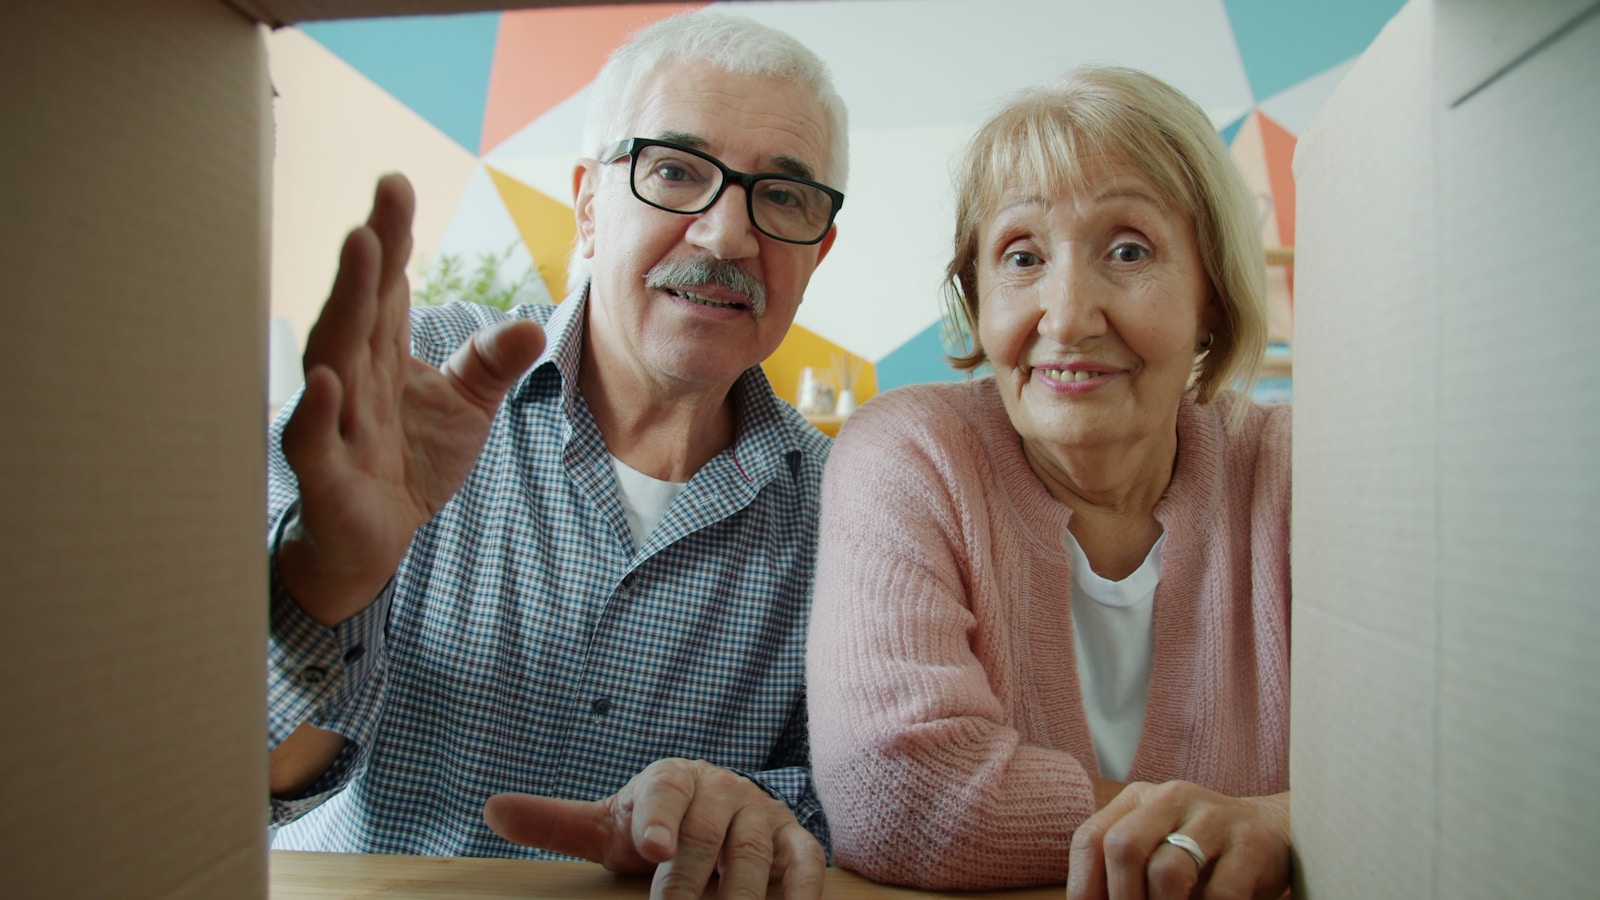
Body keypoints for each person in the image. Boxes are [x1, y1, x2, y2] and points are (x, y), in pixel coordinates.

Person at [265, 11, 848, 898]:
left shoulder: (843, 511)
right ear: (586, 201)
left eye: (783, 197)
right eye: (676, 171)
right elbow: (206, 768)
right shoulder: (402, 393)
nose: (728, 237)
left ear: (819, 252)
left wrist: (763, 809)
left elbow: (852, 793)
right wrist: (326, 580)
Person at [806, 65, 1292, 898]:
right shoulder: (911, 452)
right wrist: (1236, 827)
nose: (1066, 317)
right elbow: (901, 797)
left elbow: (1435, 765)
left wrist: (1278, 825)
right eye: (1021, 256)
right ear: (977, 295)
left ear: (1211, 292)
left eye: (1129, 250)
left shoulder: (1294, 469)